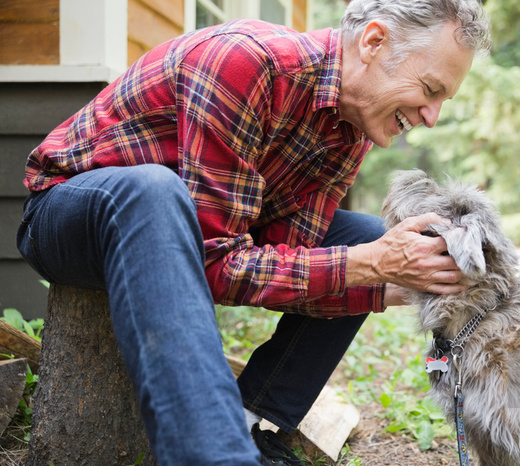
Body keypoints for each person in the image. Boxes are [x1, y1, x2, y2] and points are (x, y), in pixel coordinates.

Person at [16, 0, 490, 464]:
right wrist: (370, 266)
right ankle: (215, 456)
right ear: (373, 41)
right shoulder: (246, 61)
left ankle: (251, 427)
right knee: (155, 193)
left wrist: (386, 281)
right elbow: (213, 262)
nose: (432, 116)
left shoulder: (350, 128)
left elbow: (284, 263)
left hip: (197, 231)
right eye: (430, 89)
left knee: (362, 238)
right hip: (73, 215)